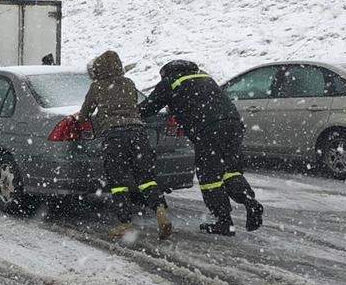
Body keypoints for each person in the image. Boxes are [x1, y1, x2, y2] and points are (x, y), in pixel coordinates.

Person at [139, 59, 262, 236]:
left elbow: (149, 107)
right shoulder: (204, 78)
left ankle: (224, 222)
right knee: (231, 170)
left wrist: (129, 113)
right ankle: (250, 201)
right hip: (233, 124)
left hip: (208, 129)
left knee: (209, 177)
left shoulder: (171, 82)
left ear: (167, 73)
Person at [78, 50, 173, 240]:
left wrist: (83, 119)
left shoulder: (97, 87)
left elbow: (85, 113)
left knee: (118, 181)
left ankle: (124, 223)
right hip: (138, 133)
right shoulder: (129, 84)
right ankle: (160, 210)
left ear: (98, 69)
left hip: (114, 136)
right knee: (145, 177)